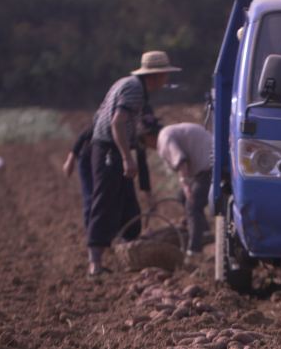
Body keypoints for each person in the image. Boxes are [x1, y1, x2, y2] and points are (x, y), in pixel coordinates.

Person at [86, 50, 181, 276]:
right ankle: (94, 264)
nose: (166, 79)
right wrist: (126, 157)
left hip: (112, 148)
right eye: (165, 75)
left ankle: (132, 253)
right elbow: (116, 123)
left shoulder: (128, 85)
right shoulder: (135, 90)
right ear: (154, 76)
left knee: (128, 203)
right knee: (104, 201)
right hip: (109, 149)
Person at [140, 118, 213, 262]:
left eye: (144, 142)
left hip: (211, 167)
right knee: (182, 197)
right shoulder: (168, 133)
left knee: (192, 206)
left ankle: (194, 251)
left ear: (148, 137)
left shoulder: (164, 138)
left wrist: (186, 185)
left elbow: (181, 160)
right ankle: (203, 231)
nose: (148, 146)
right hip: (209, 164)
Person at [62, 122, 153, 232]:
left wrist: (148, 194)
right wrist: (71, 157)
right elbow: (89, 130)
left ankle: (128, 237)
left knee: (127, 198)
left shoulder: (140, 133)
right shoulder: (122, 116)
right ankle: (94, 241)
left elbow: (142, 164)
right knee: (94, 199)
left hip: (116, 157)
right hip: (89, 155)